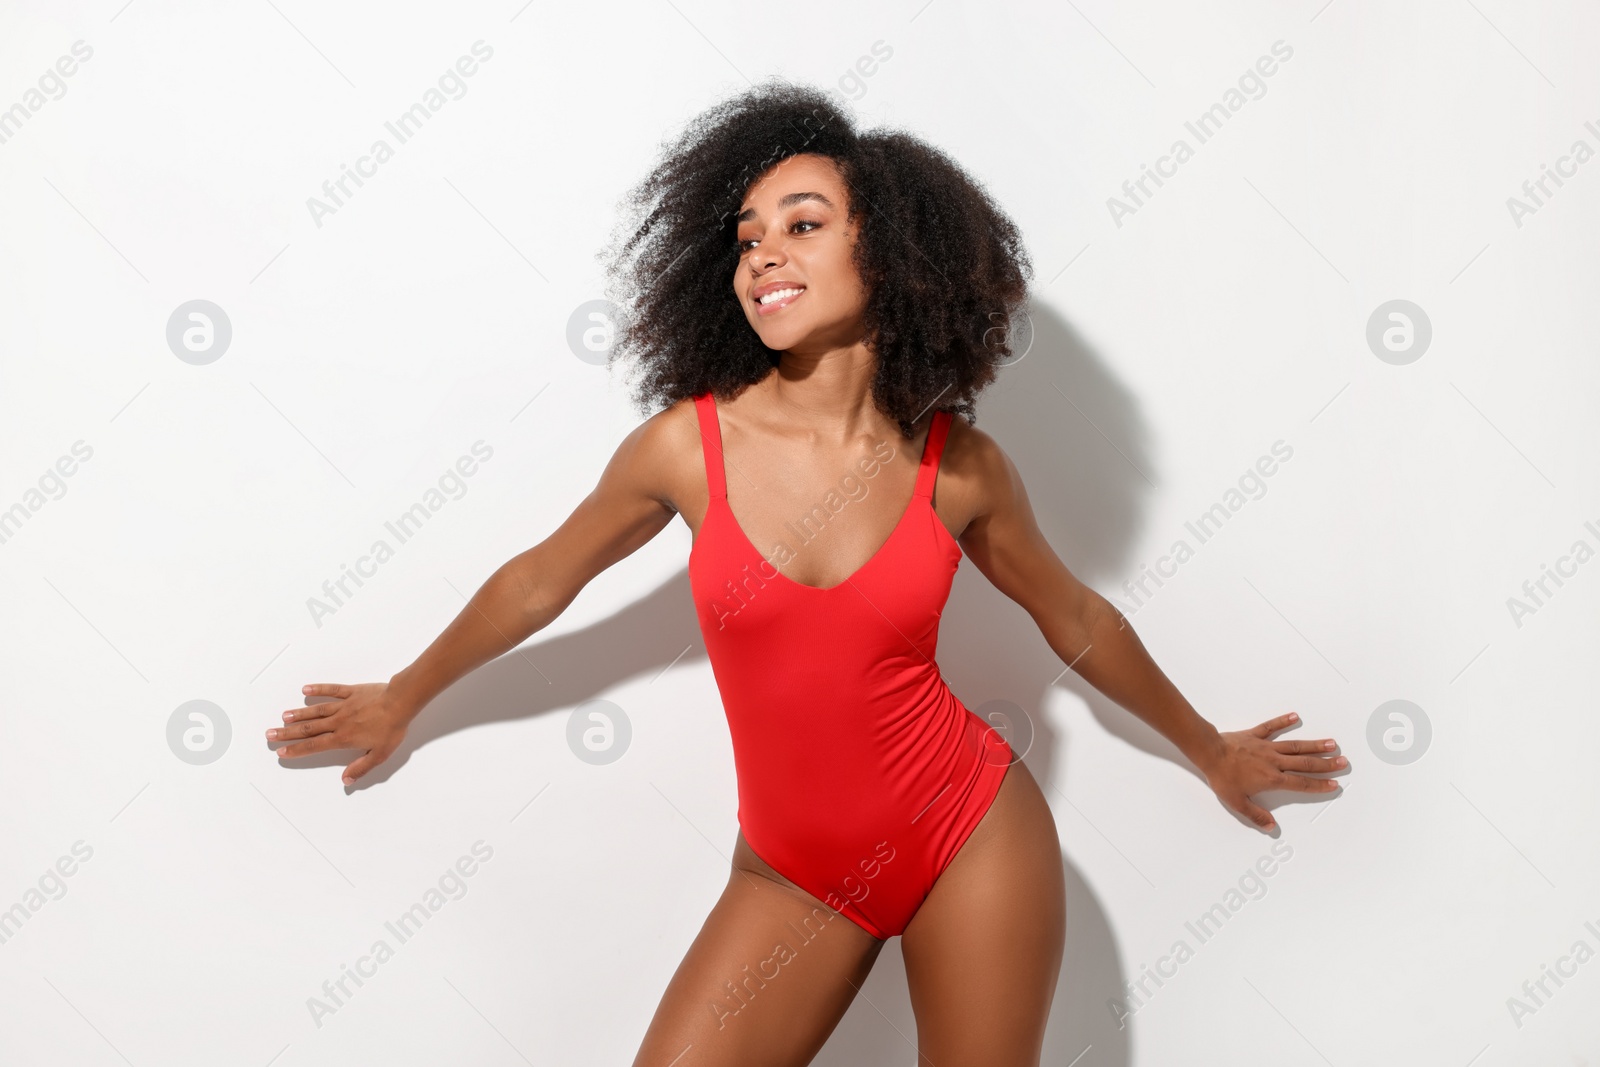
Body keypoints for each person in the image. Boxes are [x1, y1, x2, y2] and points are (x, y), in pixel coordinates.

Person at [267, 80, 1345, 1066]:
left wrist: (1208, 748)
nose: (762, 256)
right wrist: (403, 693)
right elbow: (539, 580)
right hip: (793, 871)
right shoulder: (686, 448)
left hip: (968, 833)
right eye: (746, 239)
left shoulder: (956, 466)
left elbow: (1073, 612)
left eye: (802, 226)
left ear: (892, 256)